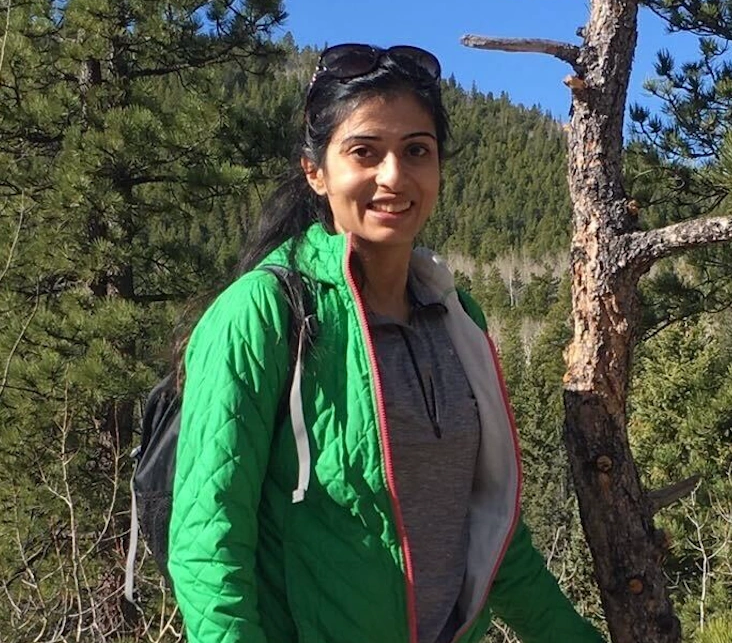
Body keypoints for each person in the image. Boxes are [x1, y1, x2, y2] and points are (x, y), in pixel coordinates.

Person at [167, 43, 605, 643]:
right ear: (316, 172)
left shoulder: (455, 316)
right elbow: (207, 544)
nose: (394, 176)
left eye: (416, 150)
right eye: (364, 152)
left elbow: (491, 538)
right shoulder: (264, 312)